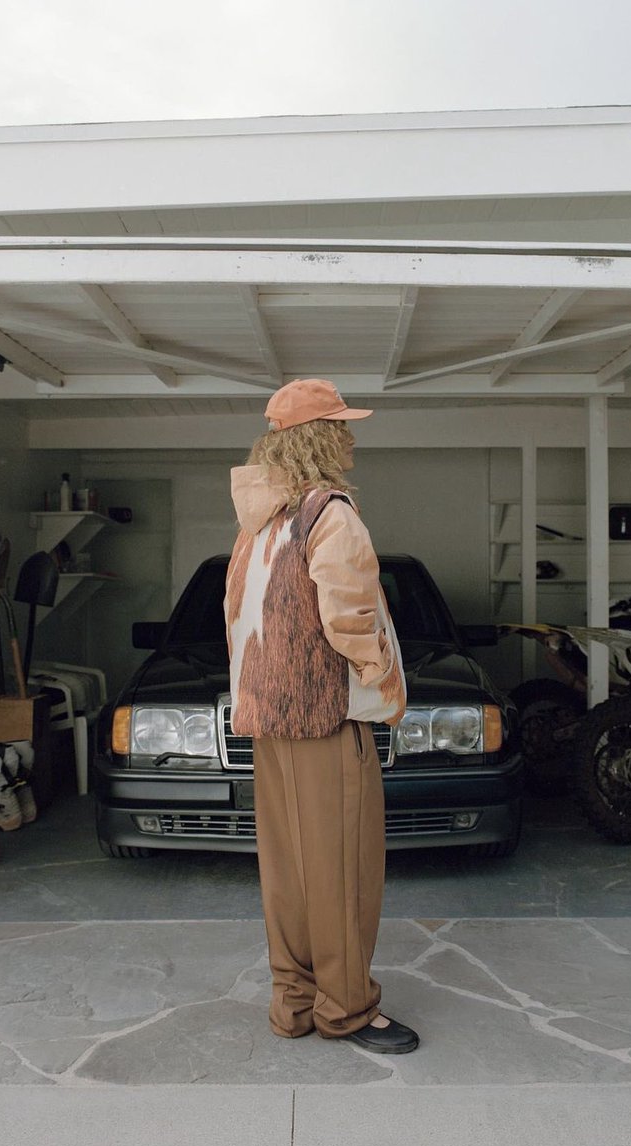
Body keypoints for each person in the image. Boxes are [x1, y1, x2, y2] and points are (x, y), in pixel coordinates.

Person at [224, 378, 419, 1054]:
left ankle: (294, 1004)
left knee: (287, 872)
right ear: (317, 438)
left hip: (271, 718)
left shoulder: (259, 524)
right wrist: (380, 679)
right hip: (328, 719)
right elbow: (350, 616)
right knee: (343, 871)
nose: (351, 435)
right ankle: (347, 1011)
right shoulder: (329, 513)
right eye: (341, 423)